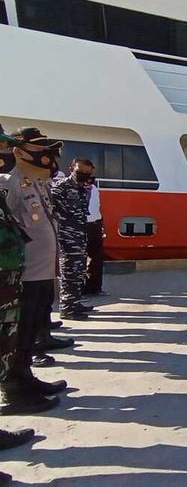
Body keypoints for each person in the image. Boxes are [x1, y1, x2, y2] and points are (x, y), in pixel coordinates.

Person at [0, 127, 69, 414]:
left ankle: (26, 377)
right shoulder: (9, 183)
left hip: (41, 272)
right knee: (19, 330)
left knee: (30, 329)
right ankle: (15, 387)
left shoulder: (35, 183)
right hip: (22, 274)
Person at [51, 158, 94, 320]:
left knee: (78, 272)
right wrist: (64, 229)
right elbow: (54, 211)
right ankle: (67, 308)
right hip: (66, 236)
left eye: (87, 172)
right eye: (80, 171)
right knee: (69, 272)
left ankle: (75, 303)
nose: (84, 175)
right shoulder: (61, 187)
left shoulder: (82, 188)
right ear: (72, 169)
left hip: (79, 236)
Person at [82, 165, 107, 296]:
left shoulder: (95, 189)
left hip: (94, 225)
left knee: (96, 258)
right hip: (80, 225)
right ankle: (80, 290)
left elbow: (96, 208)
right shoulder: (74, 188)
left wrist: (101, 223)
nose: (91, 176)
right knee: (79, 258)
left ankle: (95, 288)